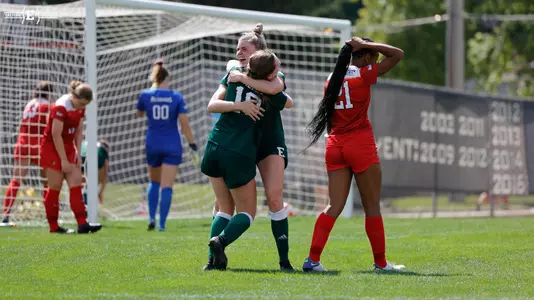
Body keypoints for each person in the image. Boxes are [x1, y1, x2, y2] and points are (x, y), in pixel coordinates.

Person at [303, 37, 405, 272]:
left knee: (333, 206)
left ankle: (312, 260)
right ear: (368, 56)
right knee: (372, 207)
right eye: (374, 57)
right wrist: (372, 45)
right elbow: (397, 54)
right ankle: (380, 264)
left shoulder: (332, 78)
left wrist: (359, 48)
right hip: (359, 145)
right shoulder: (364, 74)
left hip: (335, 144)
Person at [207, 24, 295, 272]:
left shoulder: (273, 74)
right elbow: (214, 101)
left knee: (275, 198)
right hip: (241, 143)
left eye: (244, 49)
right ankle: (213, 257)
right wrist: (236, 79)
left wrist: (243, 78)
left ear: (259, 52)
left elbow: (281, 94)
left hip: (268, 142)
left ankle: (284, 261)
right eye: (237, 50)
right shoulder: (233, 70)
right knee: (224, 204)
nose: (239, 54)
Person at [136, 61, 199, 232]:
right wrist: (192, 144)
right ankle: (162, 224)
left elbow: (139, 113)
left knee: (154, 182)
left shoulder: (146, 95)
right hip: (172, 143)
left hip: (153, 142)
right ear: (168, 78)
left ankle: (151, 218)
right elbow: (184, 124)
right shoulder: (176, 97)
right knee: (167, 185)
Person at [40, 81, 102, 234]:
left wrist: (78, 152)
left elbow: (79, 130)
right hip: (52, 149)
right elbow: (55, 134)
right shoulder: (61, 106)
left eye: (85, 105)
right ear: (73, 96)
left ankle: (82, 224)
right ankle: (54, 227)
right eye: (81, 103)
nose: (82, 107)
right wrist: (62, 159)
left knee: (76, 184)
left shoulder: (80, 107)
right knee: (55, 187)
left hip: (67, 149)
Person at [2, 81, 53, 224]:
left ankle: (6, 215)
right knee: (47, 181)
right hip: (39, 145)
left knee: (16, 180)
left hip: (23, 143)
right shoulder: (47, 106)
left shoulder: (29, 104)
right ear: (49, 93)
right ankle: (51, 216)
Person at [81, 139, 110, 205]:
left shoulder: (85, 144)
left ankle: (81, 194)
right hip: (91, 161)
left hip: (79, 157)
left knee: (82, 180)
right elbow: (105, 175)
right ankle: (85, 198)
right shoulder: (103, 151)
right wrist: (101, 192)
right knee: (98, 179)